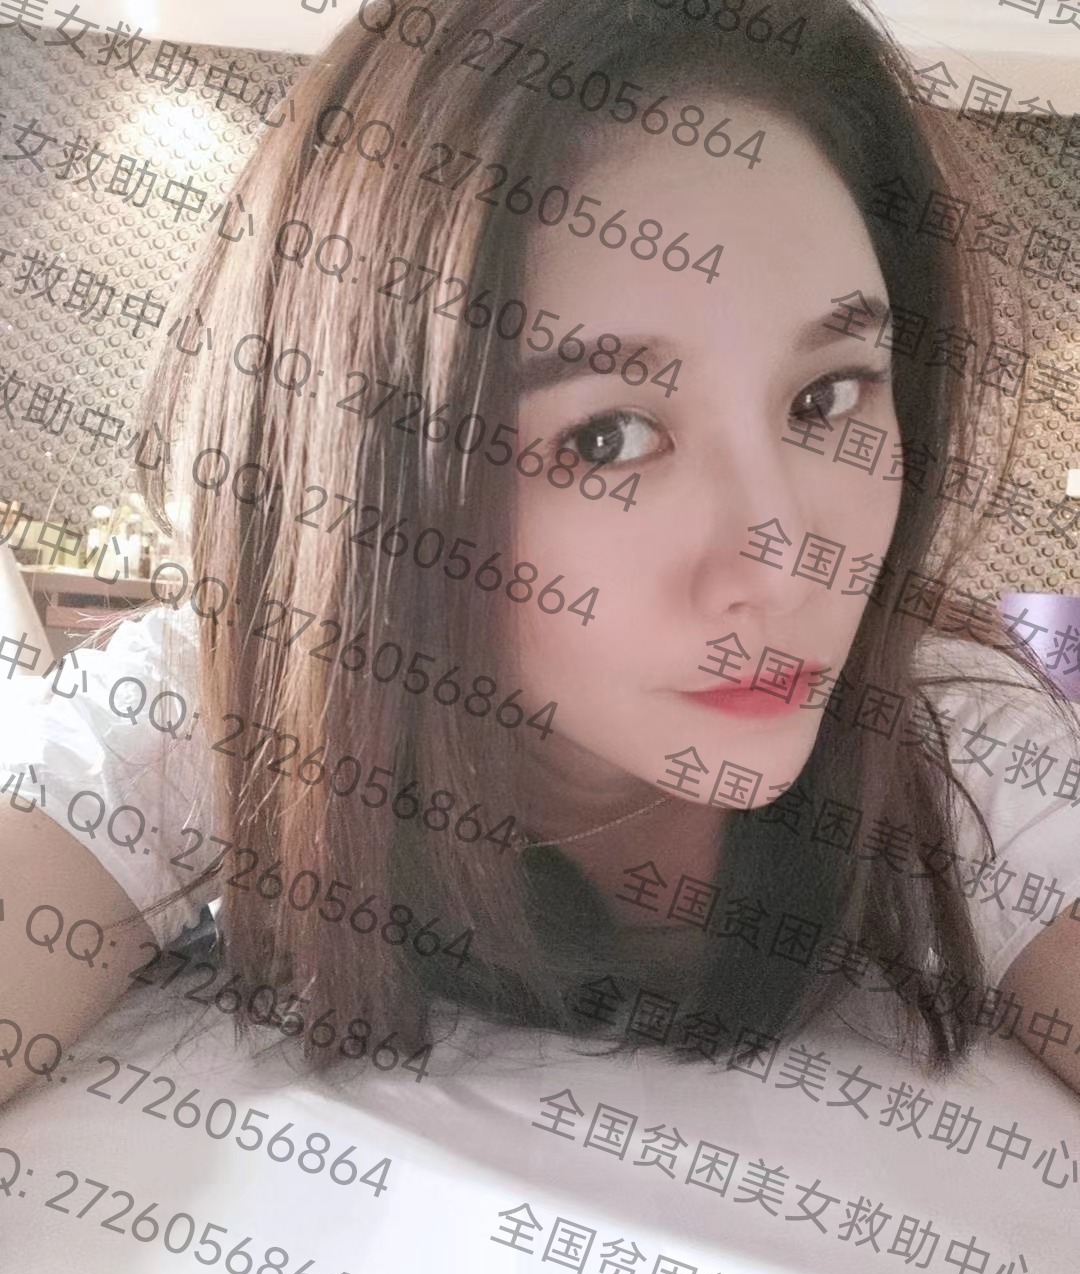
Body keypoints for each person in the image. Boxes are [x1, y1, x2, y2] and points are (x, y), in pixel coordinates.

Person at [3, 0, 1080, 1115]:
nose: (785, 566)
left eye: (827, 396)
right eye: (606, 438)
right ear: (375, 478)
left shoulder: (952, 746)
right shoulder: (245, 698)